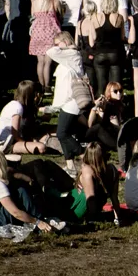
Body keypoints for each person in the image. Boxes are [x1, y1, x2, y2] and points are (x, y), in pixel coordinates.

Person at [0, 148, 57, 234]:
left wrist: (19, 175)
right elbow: (15, 213)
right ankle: (41, 222)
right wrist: (36, 221)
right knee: (20, 190)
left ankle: (38, 218)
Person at [48, 32, 93, 174]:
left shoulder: (71, 54)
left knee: (62, 133)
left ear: (65, 42)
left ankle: (86, 156)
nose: (57, 47)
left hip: (72, 101)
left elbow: (50, 51)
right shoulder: (70, 55)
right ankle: (70, 166)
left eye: (58, 43)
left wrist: (65, 47)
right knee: (65, 133)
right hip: (67, 101)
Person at [76, 141, 122, 224]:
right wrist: (117, 218)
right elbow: (114, 198)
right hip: (84, 208)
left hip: (82, 208)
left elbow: (91, 199)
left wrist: (92, 220)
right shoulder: (112, 170)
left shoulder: (87, 170)